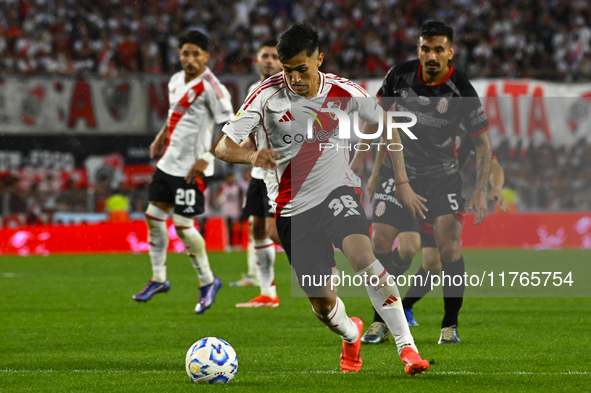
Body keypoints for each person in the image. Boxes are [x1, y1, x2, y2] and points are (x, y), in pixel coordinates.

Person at [215, 23, 430, 376]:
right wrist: (252, 157)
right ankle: (351, 333)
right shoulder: (265, 96)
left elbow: (388, 126)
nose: (295, 78)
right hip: (292, 209)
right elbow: (223, 146)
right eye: (287, 71)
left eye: (302, 69)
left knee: (364, 256)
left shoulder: (345, 91)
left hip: (337, 192)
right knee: (322, 305)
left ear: (319, 60)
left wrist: (402, 180)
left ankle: (408, 349)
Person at [351, 21, 492, 344]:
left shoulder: (461, 90)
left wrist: (481, 191)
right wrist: (363, 161)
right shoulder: (399, 75)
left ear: (450, 53)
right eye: (426, 48)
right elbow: (376, 117)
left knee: (448, 251)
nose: (431, 55)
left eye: (439, 49)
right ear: (418, 50)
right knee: (381, 242)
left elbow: (484, 144)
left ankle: (450, 324)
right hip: (398, 170)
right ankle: (380, 321)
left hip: (442, 178)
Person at [361, 126, 508, 344]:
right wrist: (375, 173)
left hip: (439, 193)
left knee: (434, 264)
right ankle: (382, 317)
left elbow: (492, 163)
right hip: (406, 186)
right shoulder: (425, 113)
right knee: (408, 246)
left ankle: (409, 306)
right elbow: (390, 135)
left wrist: (495, 188)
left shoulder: (468, 126)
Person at [132, 30, 234, 315]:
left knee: (183, 226)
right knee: (153, 217)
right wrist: (161, 136)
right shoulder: (176, 80)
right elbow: (173, 114)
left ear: (206, 56)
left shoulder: (214, 89)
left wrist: (206, 158)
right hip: (168, 162)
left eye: (196, 54)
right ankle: (159, 279)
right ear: (180, 55)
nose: (190, 59)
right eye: (185, 53)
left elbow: (233, 129)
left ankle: (207, 281)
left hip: (192, 168)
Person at [230, 41, 283, 312]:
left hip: (279, 171)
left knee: (275, 231)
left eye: (275, 56)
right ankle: (267, 292)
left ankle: (320, 260)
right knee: (257, 229)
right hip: (258, 170)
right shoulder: (254, 89)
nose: (270, 60)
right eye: (265, 56)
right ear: (257, 60)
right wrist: (250, 141)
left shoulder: (288, 88)